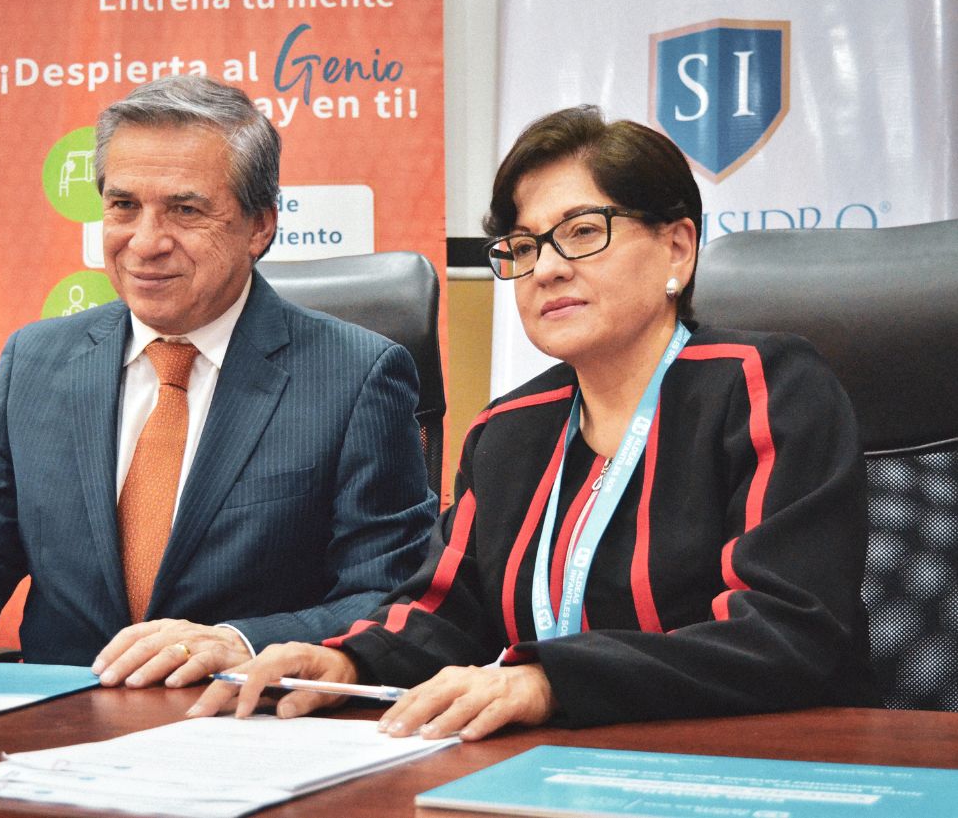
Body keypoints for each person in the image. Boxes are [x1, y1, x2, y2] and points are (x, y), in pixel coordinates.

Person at [190, 105, 880, 738]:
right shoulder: (510, 428)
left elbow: (782, 630)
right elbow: (445, 611)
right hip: (562, 765)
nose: (545, 269)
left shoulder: (765, 385)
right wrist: (346, 661)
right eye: (522, 247)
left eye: (582, 232)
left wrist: (549, 681)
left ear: (677, 248)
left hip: (755, 763)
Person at [0, 75, 437, 688]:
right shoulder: (36, 362)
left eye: (184, 210)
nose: (145, 241)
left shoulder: (354, 376)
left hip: (245, 724)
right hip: (55, 732)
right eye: (123, 205)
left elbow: (388, 596)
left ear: (260, 224)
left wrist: (240, 642)